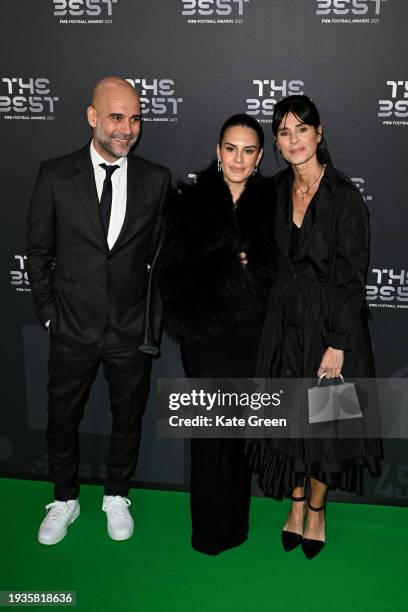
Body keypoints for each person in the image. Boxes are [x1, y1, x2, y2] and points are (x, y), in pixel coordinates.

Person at [26, 76, 171, 545]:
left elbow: (166, 257)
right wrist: (50, 315)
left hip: (130, 329)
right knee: (62, 415)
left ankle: (115, 495)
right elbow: (39, 252)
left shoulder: (156, 179)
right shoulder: (54, 174)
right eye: (116, 117)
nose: (126, 128)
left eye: (134, 118)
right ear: (92, 117)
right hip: (71, 326)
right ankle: (64, 498)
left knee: (128, 417)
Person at [248, 95, 383, 559]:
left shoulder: (345, 198)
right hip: (283, 324)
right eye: (283, 132)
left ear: (319, 134)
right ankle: (296, 503)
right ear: (277, 143)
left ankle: (319, 511)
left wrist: (339, 344)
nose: (293, 140)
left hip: (331, 328)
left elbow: (352, 278)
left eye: (301, 129)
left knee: (328, 427)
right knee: (289, 421)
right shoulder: (273, 190)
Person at [157, 114, 276, 555]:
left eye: (248, 150)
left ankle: (236, 525)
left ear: (261, 156)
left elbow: (282, 273)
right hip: (205, 336)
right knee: (209, 435)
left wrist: (254, 268)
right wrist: (228, 268)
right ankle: (208, 530)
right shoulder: (189, 203)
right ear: (217, 150)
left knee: (241, 434)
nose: (238, 159)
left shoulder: (275, 204)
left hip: (251, 335)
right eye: (231, 148)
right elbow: (172, 275)